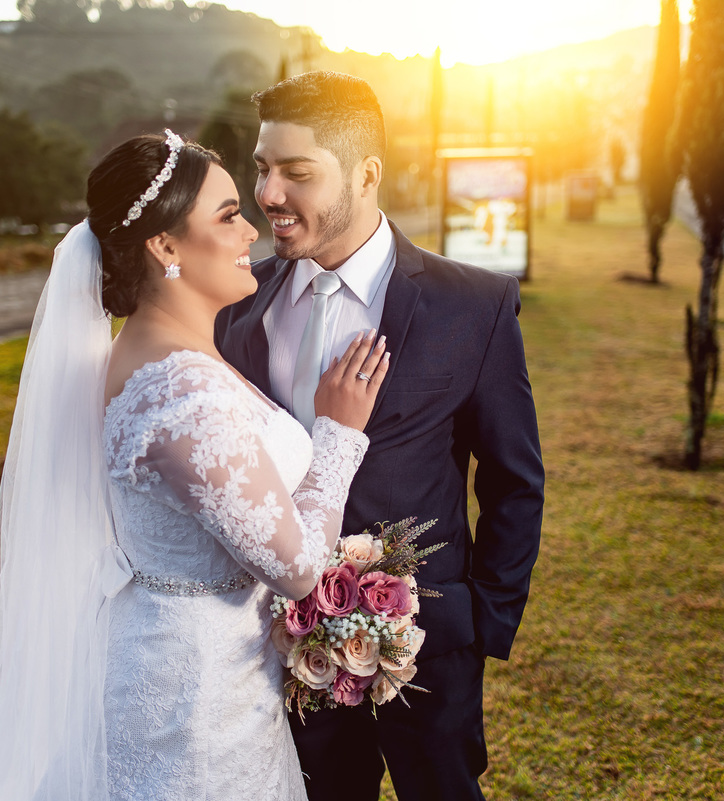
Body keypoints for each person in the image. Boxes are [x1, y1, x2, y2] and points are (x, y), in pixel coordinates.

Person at [0, 131, 389, 801]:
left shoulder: (155, 357)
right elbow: (297, 569)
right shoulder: (180, 394)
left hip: (209, 673)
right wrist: (339, 435)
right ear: (166, 245)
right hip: (192, 708)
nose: (249, 231)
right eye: (228, 214)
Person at [216, 72, 545, 801]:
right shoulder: (238, 303)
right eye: (262, 168)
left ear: (367, 174)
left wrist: (480, 618)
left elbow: (513, 480)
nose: (268, 193)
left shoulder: (473, 305)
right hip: (277, 649)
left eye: (297, 173)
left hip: (428, 649)